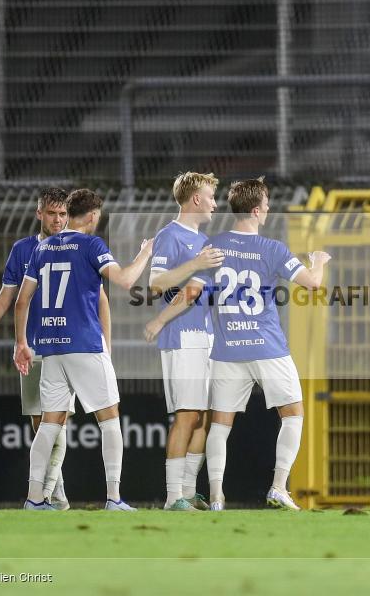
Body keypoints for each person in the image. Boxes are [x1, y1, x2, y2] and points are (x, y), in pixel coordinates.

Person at [145, 177, 331, 511]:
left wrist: (159, 320)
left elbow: (190, 292)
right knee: (293, 414)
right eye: (268, 204)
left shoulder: (213, 245)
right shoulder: (273, 248)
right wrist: (318, 260)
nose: (270, 209)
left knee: (218, 424)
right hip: (267, 346)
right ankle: (278, 486)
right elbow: (314, 284)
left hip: (227, 349)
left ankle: (216, 495)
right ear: (258, 210)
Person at [0, 186, 112, 511]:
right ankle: (54, 494)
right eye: (52, 213)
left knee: (56, 424)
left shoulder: (79, 247)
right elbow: (8, 298)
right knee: (42, 425)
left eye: (63, 214)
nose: (58, 219)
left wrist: (105, 345)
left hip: (70, 347)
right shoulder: (24, 250)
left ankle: (46, 495)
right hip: (35, 349)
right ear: (39, 214)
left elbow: (101, 299)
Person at [13, 188, 153, 511]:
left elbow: (22, 301)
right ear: (92, 216)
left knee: (49, 425)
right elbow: (126, 280)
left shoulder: (42, 248)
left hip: (49, 349)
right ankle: (114, 498)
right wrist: (145, 253)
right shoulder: (91, 244)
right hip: (85, 344)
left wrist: (22, 342)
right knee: (110, 420)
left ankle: (34, 499)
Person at [148, 172, 225, 511]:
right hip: (181, 337)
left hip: (204, 335)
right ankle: (171, 496)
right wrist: (196, 263)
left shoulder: (204, 239)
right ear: (196, 199)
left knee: (202, 417)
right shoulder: (169, 236)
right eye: (210, 196)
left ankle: (188, 491)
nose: (214, 203)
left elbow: (200, 292)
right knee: (186, 414)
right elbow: (155, 284)